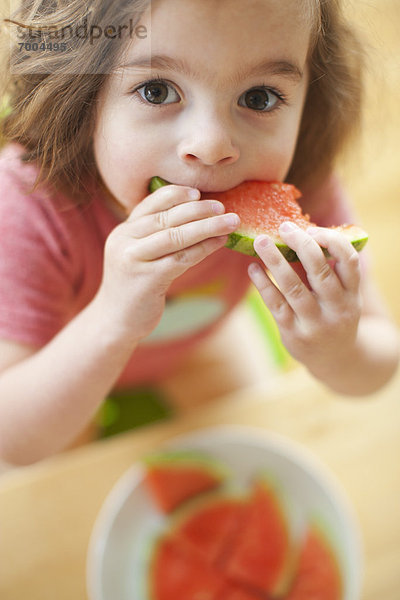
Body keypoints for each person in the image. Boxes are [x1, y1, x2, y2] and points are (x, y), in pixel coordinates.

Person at [0, 0, 398, 466]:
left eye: (259, 98)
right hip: (52, 362)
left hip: (200, 345)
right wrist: (111, 319)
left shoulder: (304, 185)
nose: (211, 145)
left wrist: (338, 349)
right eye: (156, 90)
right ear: (81, 93)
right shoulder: (29, 204)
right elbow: (11, 435)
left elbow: (381, 361)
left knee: (252, 457)